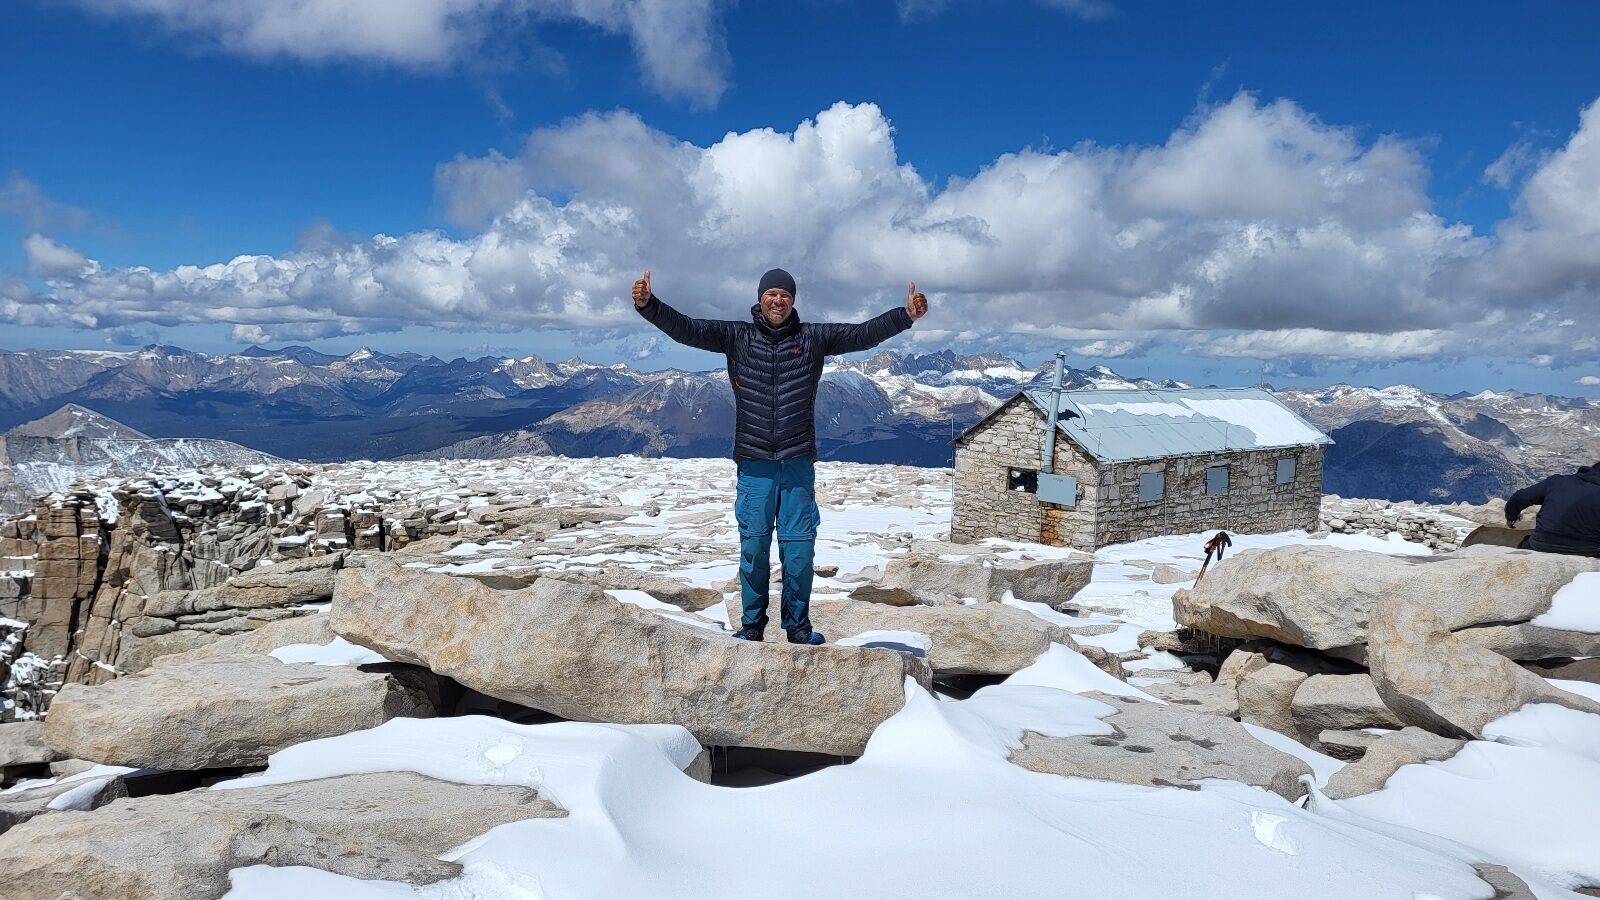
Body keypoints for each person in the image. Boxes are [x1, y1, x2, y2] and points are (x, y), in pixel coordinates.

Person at [632, 268, 929, 644]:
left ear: (793, 300)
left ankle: (798, 627)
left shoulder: (812, 339)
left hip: (797, 463)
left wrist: (905, 316)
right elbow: (687, 328)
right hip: (755, 463)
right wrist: (648, 305)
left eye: (784, 295)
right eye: (771, 294)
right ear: (760, 299)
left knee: (799, 551)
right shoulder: (736, 336)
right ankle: (752, 626)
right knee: (754, 548)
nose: (777, 300)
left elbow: (861, 335)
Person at [1504, 461, 1600, 558]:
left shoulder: (1557, 481)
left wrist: (1511, 517)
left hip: (1542, 543)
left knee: (1526, 543)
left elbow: (1520, 497)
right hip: (1589, 550)